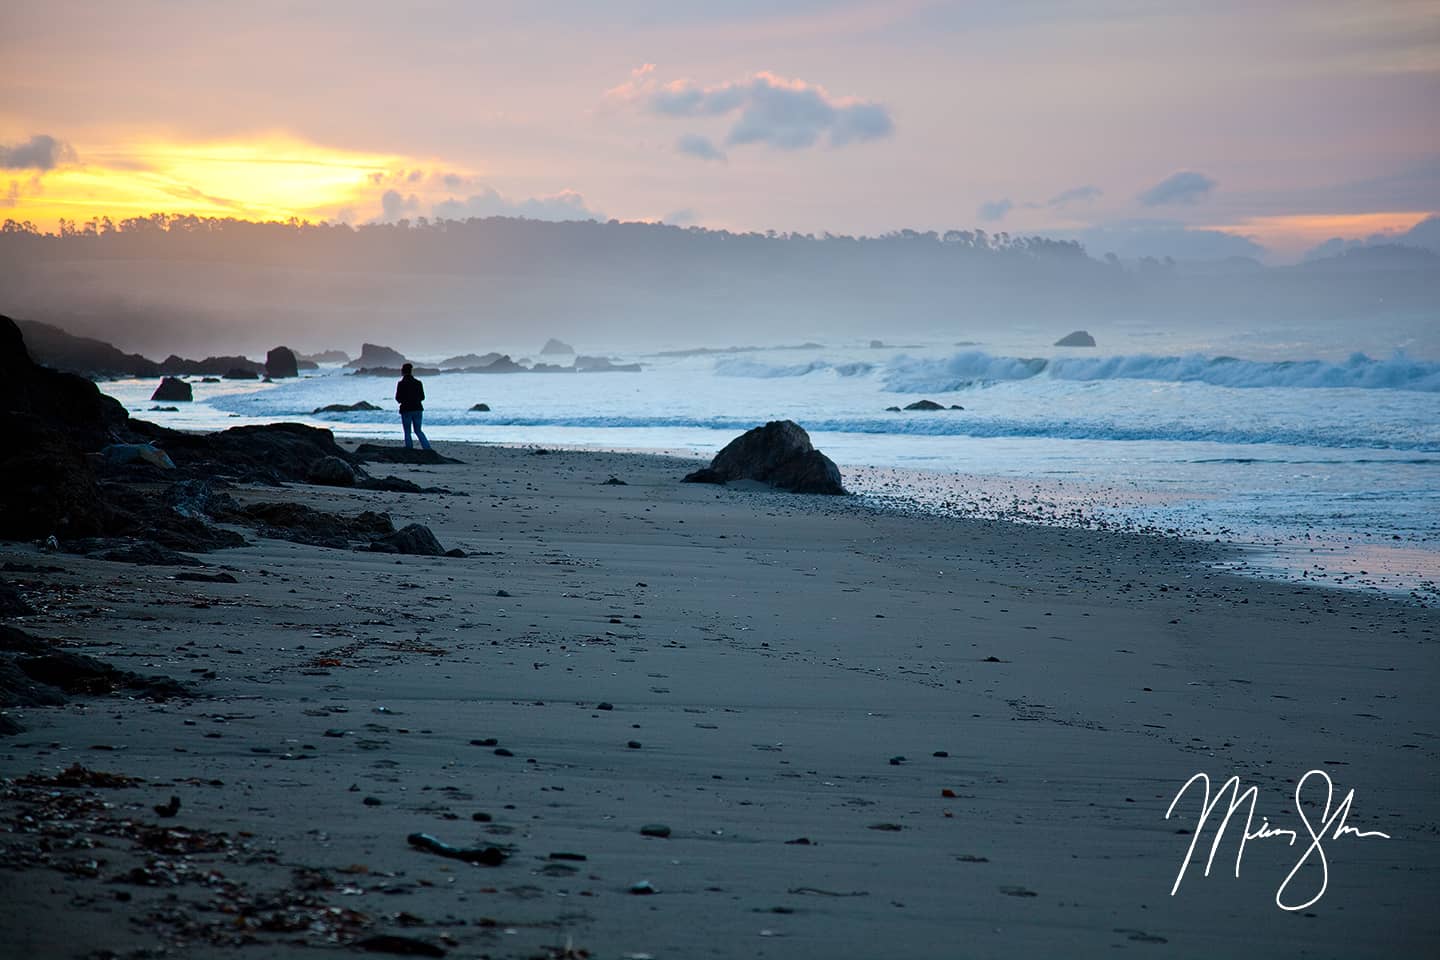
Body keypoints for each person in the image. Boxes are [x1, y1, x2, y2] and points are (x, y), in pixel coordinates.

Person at [394, 363, 432, 450]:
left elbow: (398, 398)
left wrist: (404, 400)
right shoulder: (418, 383)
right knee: (418, 430)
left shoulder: (401, 384)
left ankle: (409, 448)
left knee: (407, 431)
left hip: (406, 409)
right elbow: (422, 397)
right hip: (418, 408)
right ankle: (427, 448)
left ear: (403, 371)